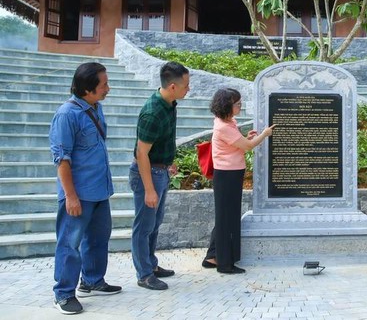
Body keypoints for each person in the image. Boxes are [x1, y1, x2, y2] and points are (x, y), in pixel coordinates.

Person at [49, 62, 122, 315]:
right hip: (78, 194)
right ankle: (63, 293)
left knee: (99, 237)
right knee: (70, 243)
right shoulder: (67, 115)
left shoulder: (95, 107)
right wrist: (70, 196)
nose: (108, 89)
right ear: (87, 89)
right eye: (103, 85)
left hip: (100, 190)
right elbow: (62, 159)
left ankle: (91, 280)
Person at [130, 62, 190, 291]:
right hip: (148, 173)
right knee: (143, 226)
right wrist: (149, 189)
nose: (189, 89)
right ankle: (144, 274)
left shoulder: (170, 103)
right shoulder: (152, 112)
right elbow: (141, 152)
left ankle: (151, 265)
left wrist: (169, 161)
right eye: (186, 85)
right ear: (172, 86)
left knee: (154, 224)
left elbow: (162, 141)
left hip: (160, 170)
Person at [202, 88, 275, 274]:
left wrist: (247, 138)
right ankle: (225, 264)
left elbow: (239, 144)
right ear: (227, 105)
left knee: (225, 217)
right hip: (227, 175)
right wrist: (264, 134)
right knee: (227, 219)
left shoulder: (228, 121)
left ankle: (212, 256)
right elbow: (248, 146)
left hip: (231, 173)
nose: (240, 106)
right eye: (237, 104)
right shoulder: (223, 127)